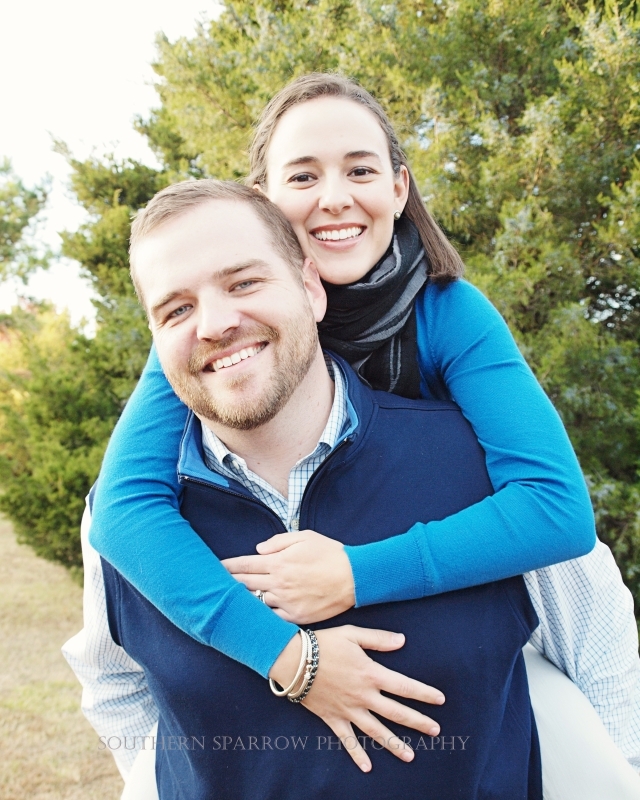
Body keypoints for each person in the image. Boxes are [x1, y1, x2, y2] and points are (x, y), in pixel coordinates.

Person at [81, 74, 640, 774]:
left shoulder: (448, 312)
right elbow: (122, 514)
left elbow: (556, 511)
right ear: (264, 201)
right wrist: (290, 659)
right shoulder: (214, 337)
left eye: (361, 170)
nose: (335, 197)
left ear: (400, 189)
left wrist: (353, 574)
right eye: (303, 176)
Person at [65, 179, 543, 799]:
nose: (214, 324)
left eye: (244, 283)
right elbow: (113, 685)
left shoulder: (484, 465)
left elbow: (599, 656)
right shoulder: (123, 516)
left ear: (311, 286)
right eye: (176, 310)